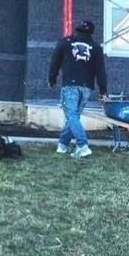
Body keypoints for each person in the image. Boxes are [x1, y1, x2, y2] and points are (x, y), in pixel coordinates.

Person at [48, 19, 107, 159]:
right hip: (86, 88)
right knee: (74, 116)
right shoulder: (96, 48)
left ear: (77, 29)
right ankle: (62, 145)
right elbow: (101, 71)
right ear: (91, 33)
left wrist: (52, 79)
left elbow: (54, 62)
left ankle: (83, 145)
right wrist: (103, 91)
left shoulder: (65, 42)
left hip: (70, 85)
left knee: (71, 116)